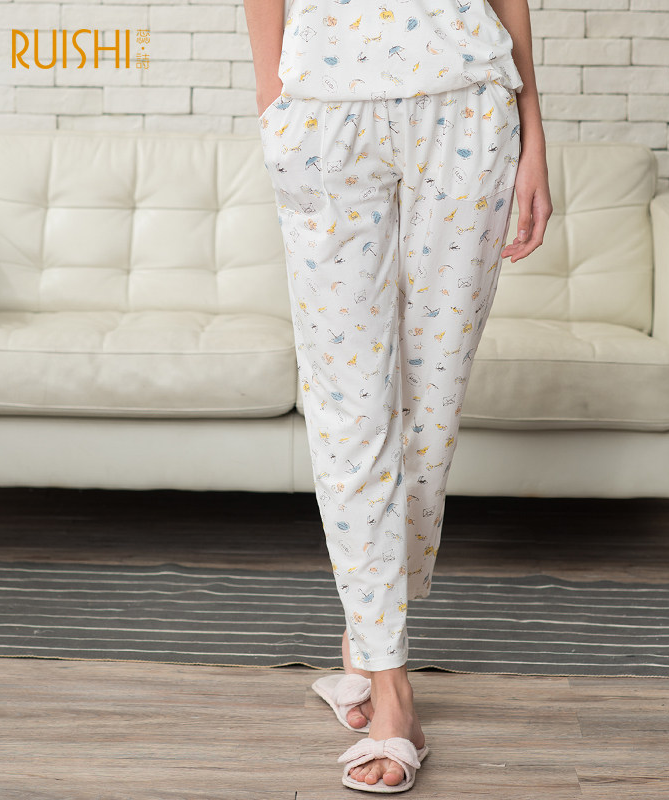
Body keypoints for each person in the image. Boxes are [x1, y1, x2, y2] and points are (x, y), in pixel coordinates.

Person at [243, 0, 551, 792]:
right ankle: (392, 692)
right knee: (349, 410)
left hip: (466, 109)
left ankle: (365, 636)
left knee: (431, 407)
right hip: (325, 116)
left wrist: (534, 136)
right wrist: (275, 103)